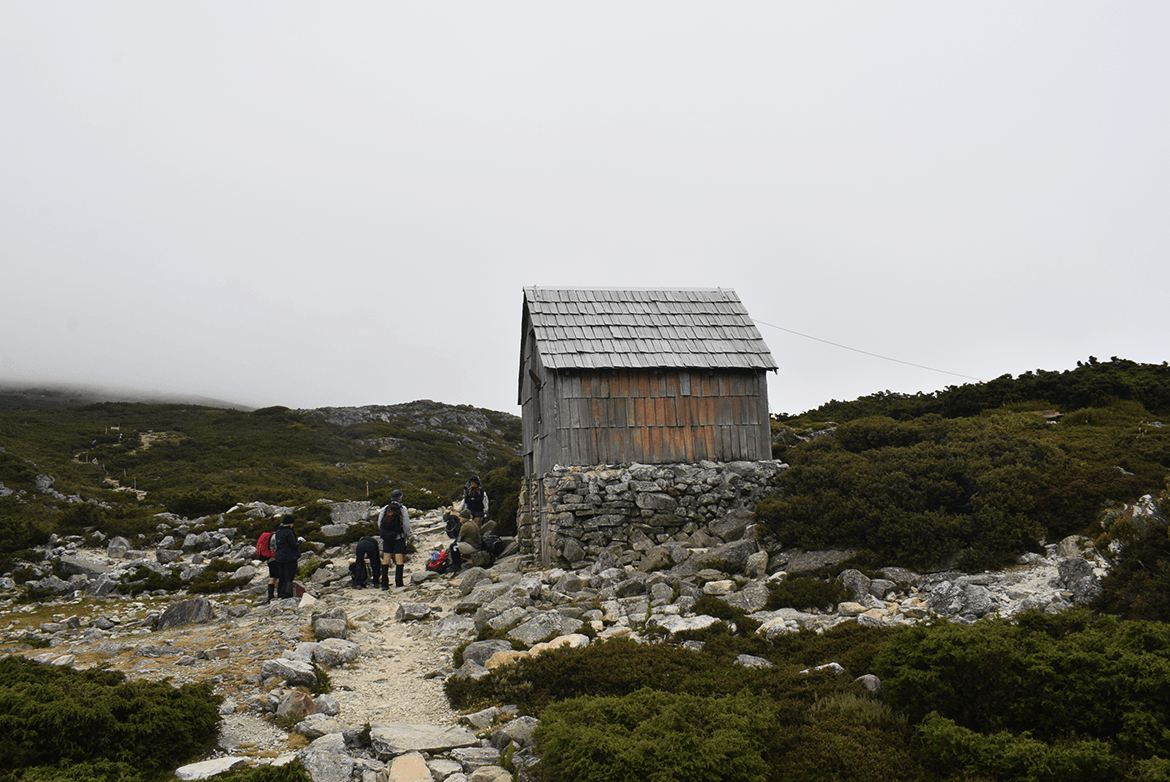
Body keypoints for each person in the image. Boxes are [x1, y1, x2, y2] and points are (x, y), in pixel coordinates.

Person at [378, 489, 412, 589]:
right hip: (398, 537)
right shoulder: (402, 508)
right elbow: (406, 524)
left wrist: (384, 533)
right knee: (399, 559)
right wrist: (406, 535)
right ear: (400, 498)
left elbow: (380, 523)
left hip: (387, 537)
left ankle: (384, 583)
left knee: (386, 559)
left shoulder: (385, 508)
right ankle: (399, 582)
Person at [272, 514, 302, 600]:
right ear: (289, 524)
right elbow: (293, 545)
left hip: (280, 557)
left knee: (282, 576)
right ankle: (287, 593)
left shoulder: (278, 531)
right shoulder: (289, 532)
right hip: (289, 557)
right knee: (289, 576)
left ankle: (280, 593)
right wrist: (300, 541)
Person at [449, 509, 481, 575]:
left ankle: (456, 565)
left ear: (464, 517)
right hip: (476, 545)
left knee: (453, 546)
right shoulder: (471, 523)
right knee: (456, 545)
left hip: (473, 547)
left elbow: (459, 538)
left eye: (460, 517)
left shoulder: (465, 525)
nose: (459, 518)